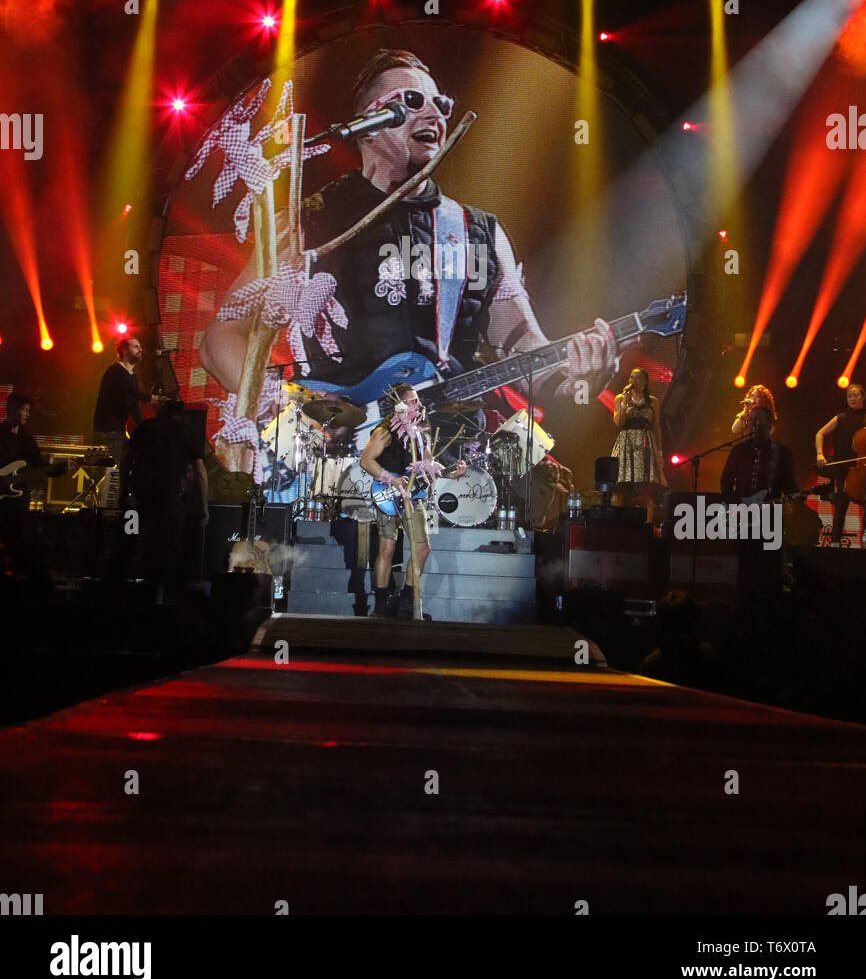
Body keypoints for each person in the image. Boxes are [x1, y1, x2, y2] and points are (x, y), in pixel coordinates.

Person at [201, 48, 618, 413]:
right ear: (370, 122)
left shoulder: (478, 231)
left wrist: (576, 374)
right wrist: (293, 408)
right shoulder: (308, 221)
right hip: (335, 462)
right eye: (413, 101)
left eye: (441, 103)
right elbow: (223, 338)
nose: (434, 113)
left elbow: (524, 348)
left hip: (452, 457)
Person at [359, 383, 467, 618]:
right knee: (387, 547)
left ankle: (406, 602)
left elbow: (429, 467)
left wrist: (450, 472)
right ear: (399, 405)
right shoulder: (384, 431)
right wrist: (391, 479)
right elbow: (366, 461)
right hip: (388, 494)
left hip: (414, 497)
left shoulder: (421, 434)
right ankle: (379, 607)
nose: (419, 405)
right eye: (413, 401)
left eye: (418, 400)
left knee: (422, 548)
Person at [126, 399, 209, 593]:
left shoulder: (146, 427)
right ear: (182, 415)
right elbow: (201, 471)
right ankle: (163, 596)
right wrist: (203, 507)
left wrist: (125, 489)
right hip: (169, 495)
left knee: (135, 538)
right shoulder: (186, 431)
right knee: (168, 546)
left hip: (140, 495)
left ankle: (135, 591)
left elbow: (126, 458)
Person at [0, 392, 65, 560]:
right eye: (25, 410)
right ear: (13, 409)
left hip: (18, 502)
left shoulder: (26, 439)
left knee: (20, 542)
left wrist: (61, 468)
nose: (28, 415)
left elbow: (40, 465)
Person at [815, 382, 866, 547]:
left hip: (861, 470)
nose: (852, 398)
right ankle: (835, 545)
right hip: (843, 469)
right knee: (841, 507)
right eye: (849, 396)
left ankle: (865, 542)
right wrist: (820, 453)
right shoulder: (840, 418)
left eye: (856, 395)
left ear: (863, 397)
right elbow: (820, 434)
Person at [93, 337, 154, 465]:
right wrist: (155, 398)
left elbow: (134, 405)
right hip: (108, 427)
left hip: (117, 428)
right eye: (136, 347)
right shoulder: (115, 371)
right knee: (124, 463)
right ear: (125, 350)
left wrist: (143, 427)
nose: (140, 350)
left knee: (129, 459)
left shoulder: (131, 375)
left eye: (140, 347)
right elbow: (134, 394)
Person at [611, 366, 666, 502]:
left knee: (645, 488)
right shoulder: (620, 398)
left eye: (637, 378)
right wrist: (625, 402)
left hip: (645, 444)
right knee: (621, 486)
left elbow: (656, 427)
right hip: (626, 443)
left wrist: (659, 452)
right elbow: (618, 422)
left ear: (645, 382)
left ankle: (647, 521)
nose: (633, 380)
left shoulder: (653, 402)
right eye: (631, 377)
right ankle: (617, 520)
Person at [720, 405, 795, 501]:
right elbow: (726, 482)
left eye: (757, 419)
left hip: (769, 512)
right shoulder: (739, 450)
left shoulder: (782, 453)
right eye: (750, 419)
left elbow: (789, 486)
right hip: (740, 511)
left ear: (769, 424)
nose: (752, 423)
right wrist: (734, 504)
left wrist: (796, 497)